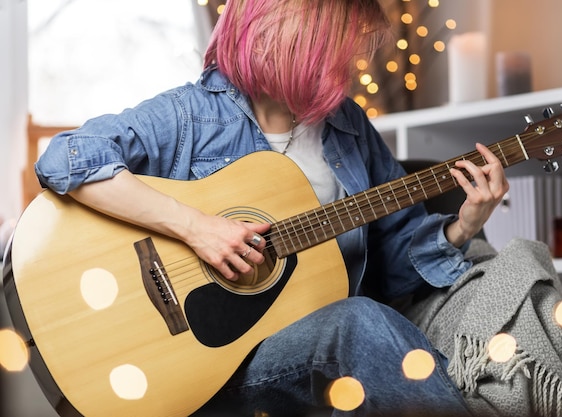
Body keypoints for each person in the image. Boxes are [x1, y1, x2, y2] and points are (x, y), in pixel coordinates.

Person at [34, 0, 509, 415]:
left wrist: (464, 227)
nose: (350, 57)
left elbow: (392, 265)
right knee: (358, 322)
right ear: (290, 32)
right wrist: (196, 227)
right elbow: (67, 158)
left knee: (359, 320)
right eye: (339, 41)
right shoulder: (191, 114)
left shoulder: (348, 126)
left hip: (302, 345)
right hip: (206, 361)